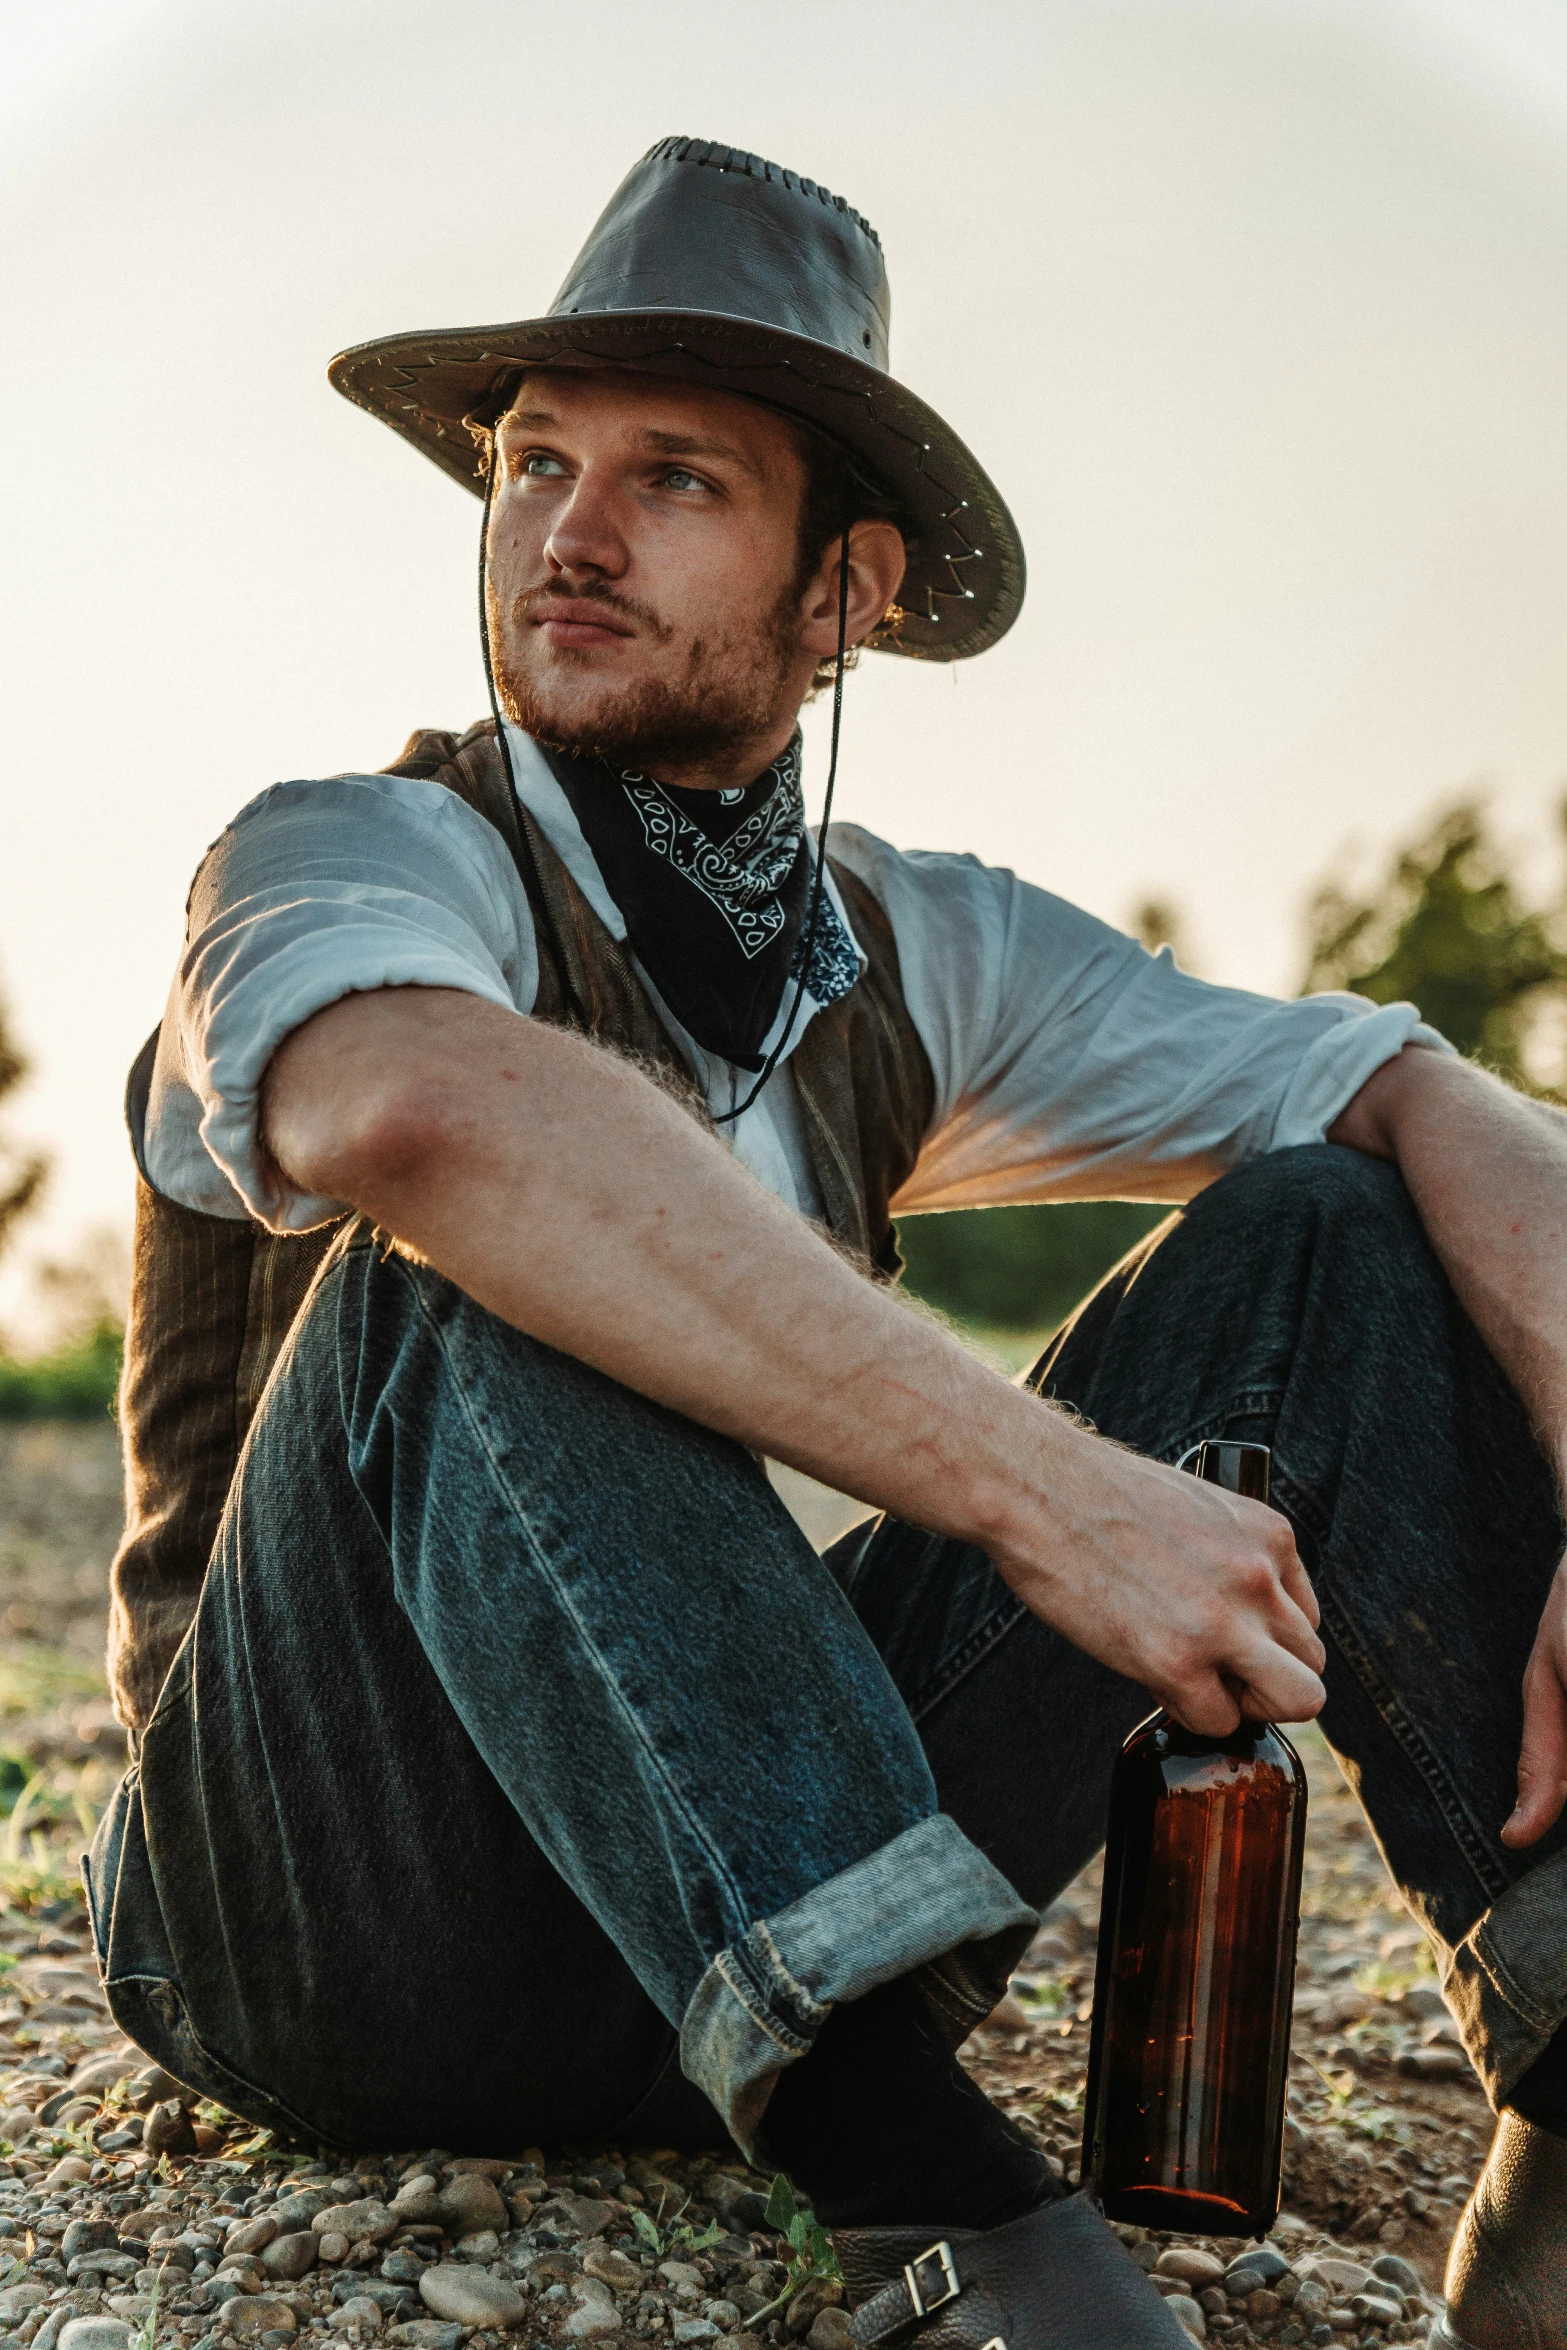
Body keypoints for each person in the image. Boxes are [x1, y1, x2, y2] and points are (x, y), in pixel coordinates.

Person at [92, 138, 1567, 2350]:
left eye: (672, 477)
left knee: (1331, 1232)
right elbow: (406, 1111)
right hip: (322, 1915)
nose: (565, 533)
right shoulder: (347, 852)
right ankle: (951, 2212)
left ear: (844, 592)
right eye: (531, 463)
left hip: (727, 1899)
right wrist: (1063, 1495)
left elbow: (1426, 1085)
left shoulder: (905, 943)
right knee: (469, 1241)